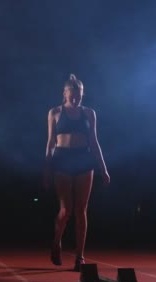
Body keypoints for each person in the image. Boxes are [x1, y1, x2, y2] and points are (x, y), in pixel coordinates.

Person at [44, 74, 110, 271]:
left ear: (82, 94)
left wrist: (103, 168)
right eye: (72, 95)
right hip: (62, 160)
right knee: (66, 210)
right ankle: (56, 242)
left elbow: (94, 142)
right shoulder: (55, 112)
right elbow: (50, 144)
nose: (75, 99)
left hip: (84, 159)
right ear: (64, 94)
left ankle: (80, 256)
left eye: (79, 96)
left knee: (81, 210)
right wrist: (46, 170)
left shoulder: (89, 113)